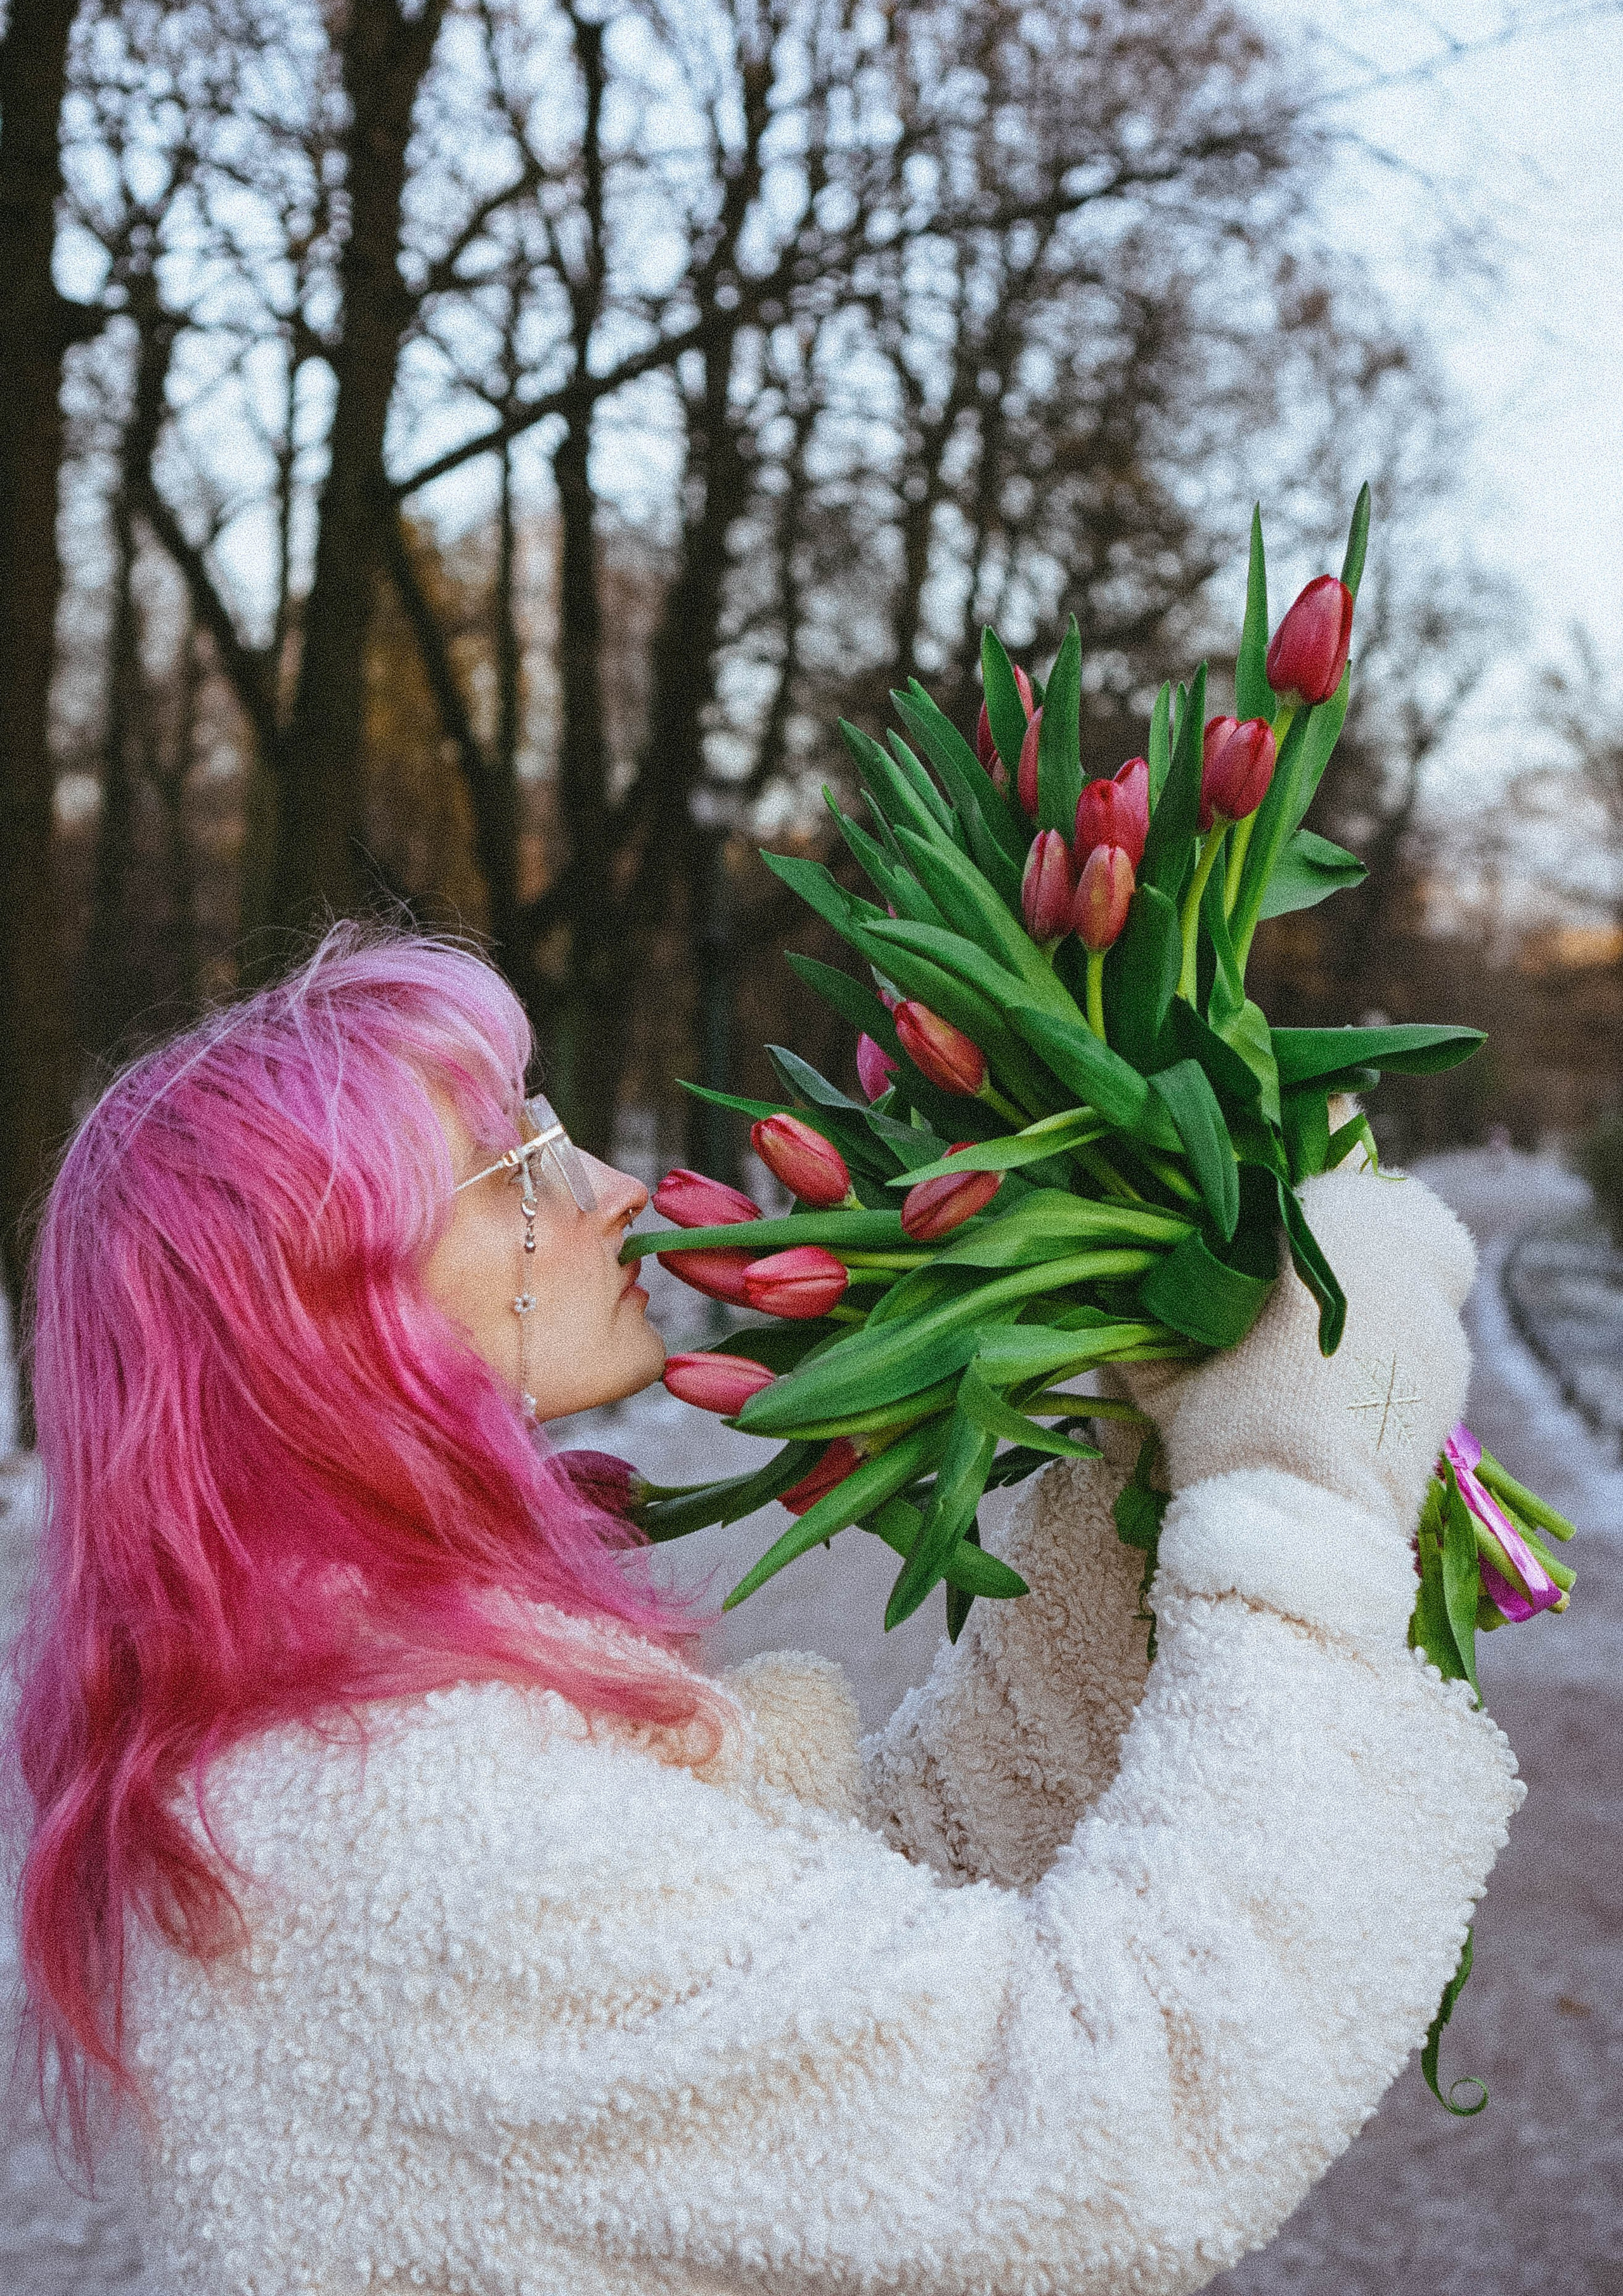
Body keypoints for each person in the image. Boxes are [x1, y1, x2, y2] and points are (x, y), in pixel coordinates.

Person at [5, 922, 1521, 2295]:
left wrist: (1136, 1495)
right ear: (319, 1322)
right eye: (513, 1167)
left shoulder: (334, 1742)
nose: (609, 1191)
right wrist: (1309, 1485)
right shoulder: (439, 1839)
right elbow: (1103, 2111)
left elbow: (838, 1965)